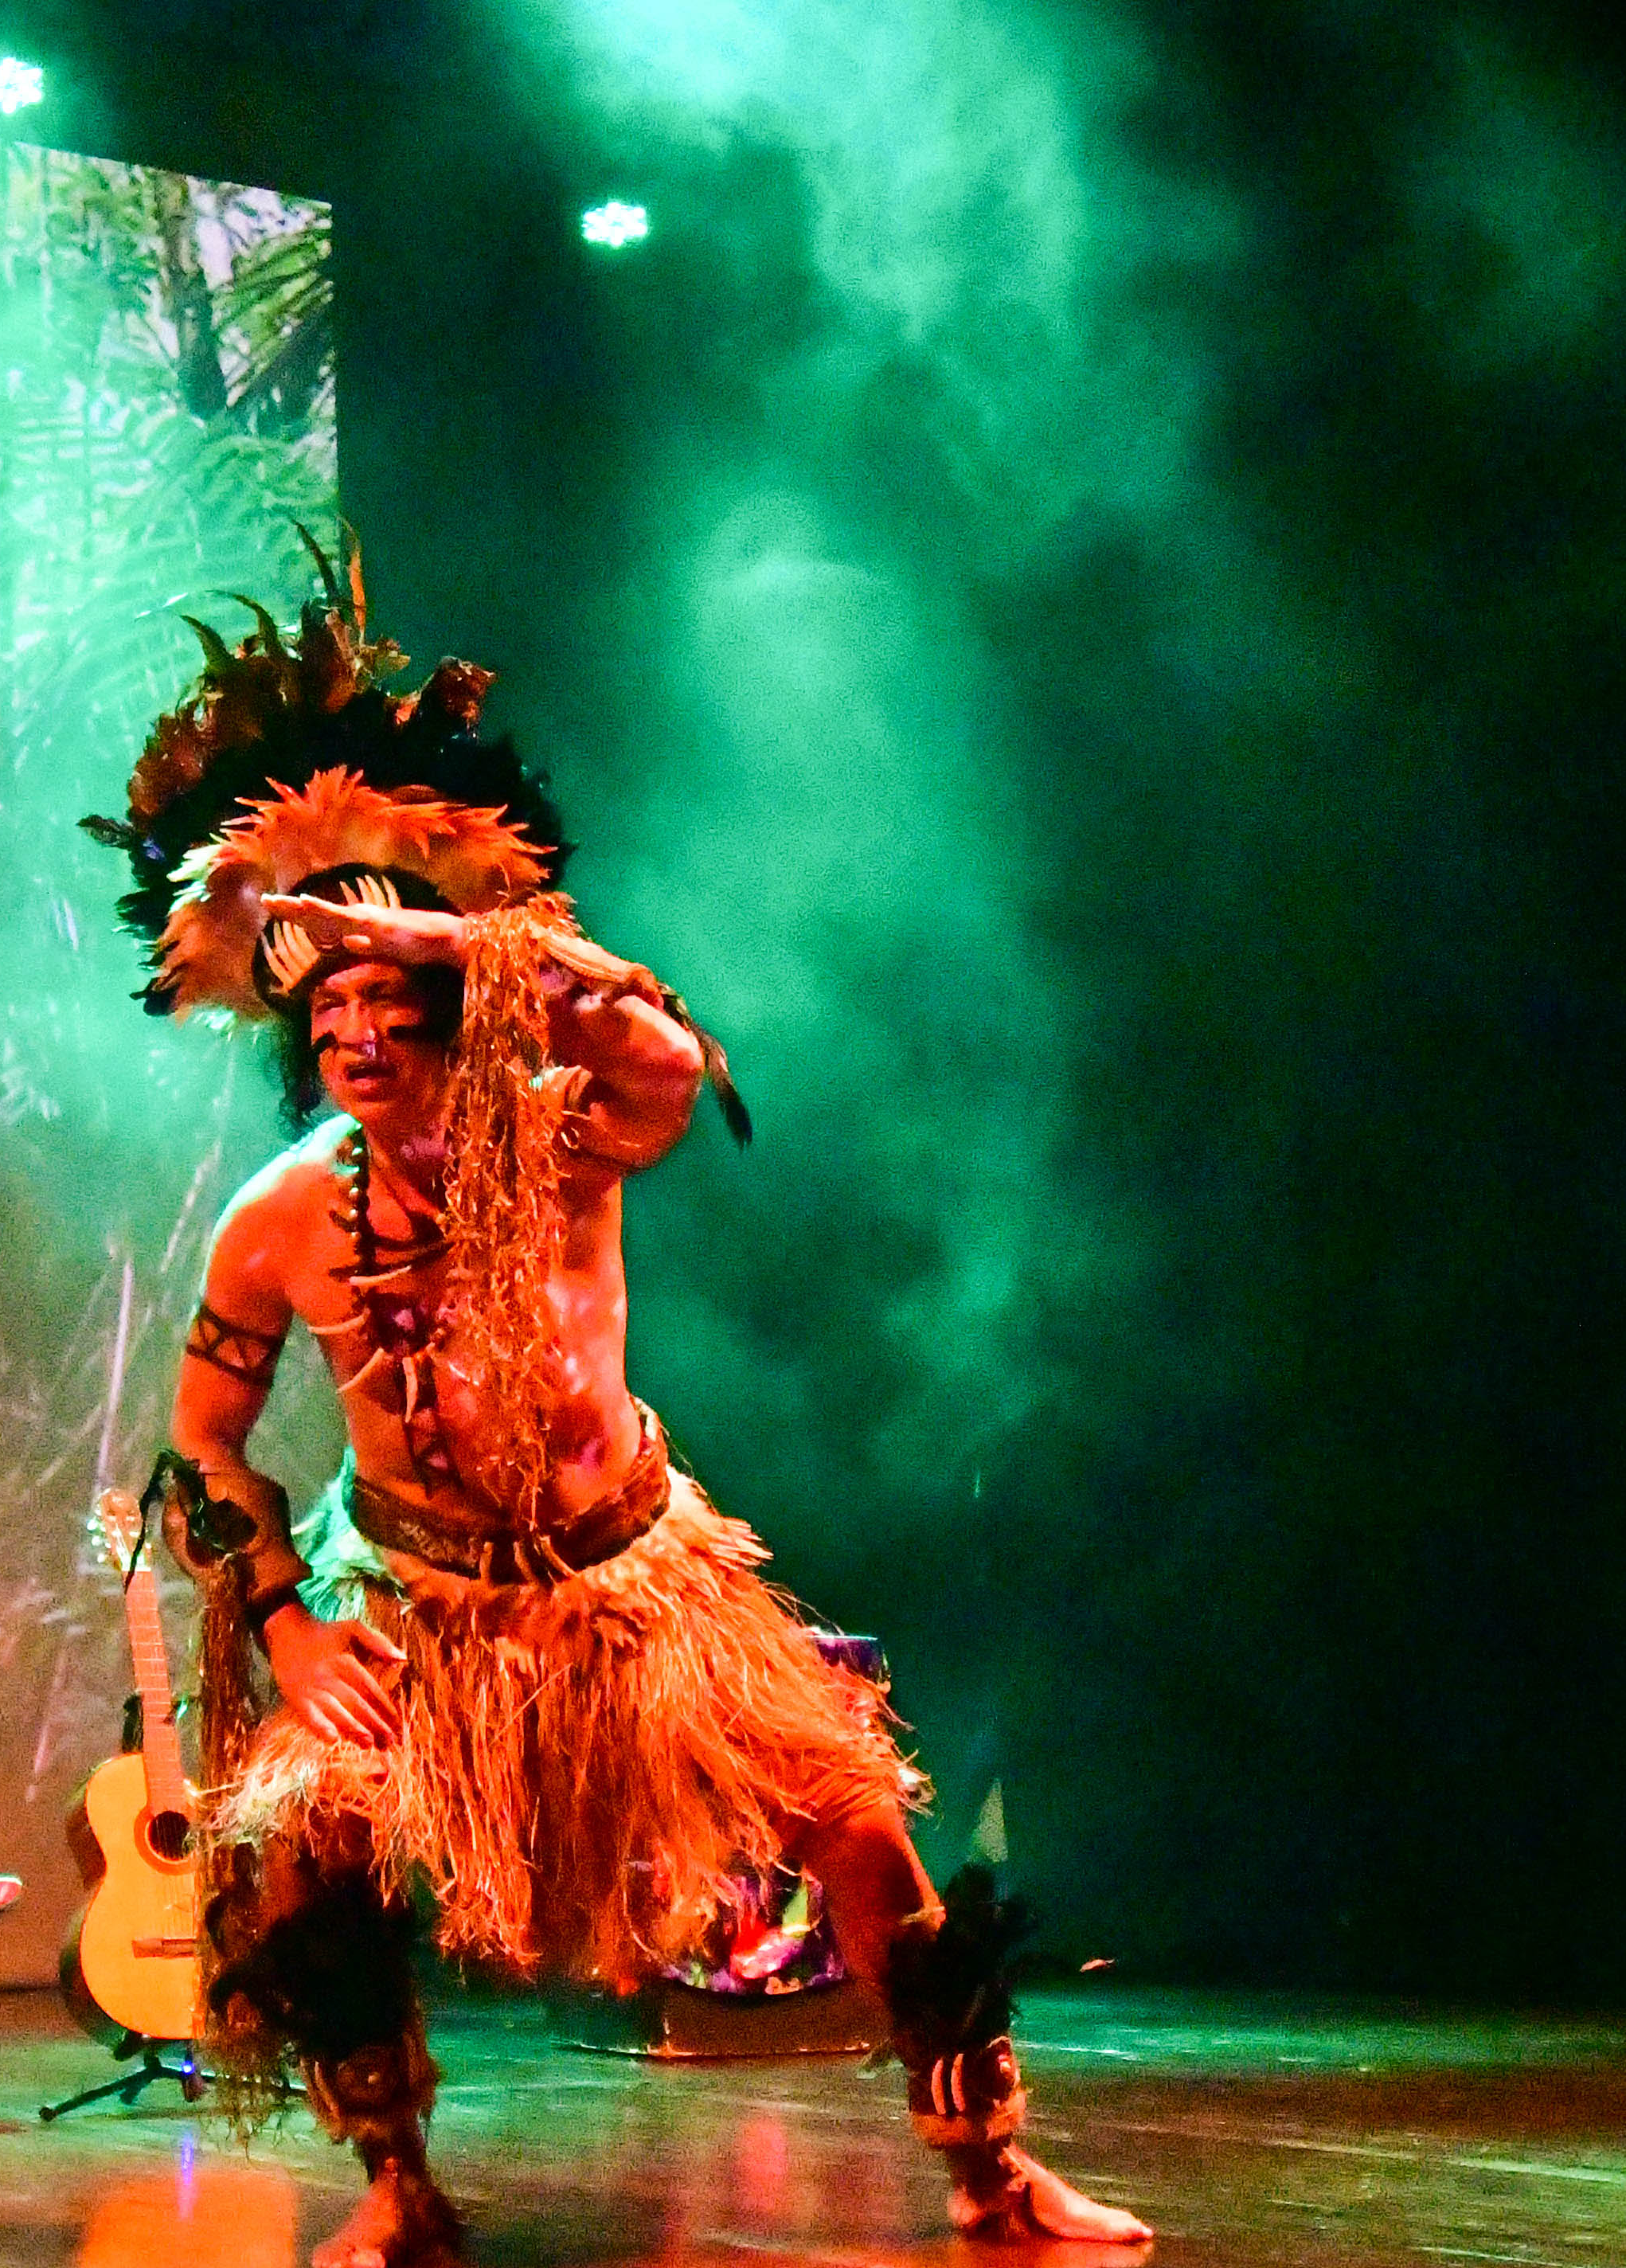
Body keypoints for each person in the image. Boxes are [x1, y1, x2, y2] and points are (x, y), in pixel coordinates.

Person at [86, 544, 1149, 2266]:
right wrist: (285, 1621)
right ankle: (395, 2186)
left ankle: (992, 2174)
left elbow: (668, 1043)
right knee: (302, 1839)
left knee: (856, 1819)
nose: (357, 1029)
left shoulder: (565, 1131)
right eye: (328, 1005)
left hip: (635, 1583)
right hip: (409, 1604)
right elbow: (199, 1441)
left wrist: (417, 918)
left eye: (387, 997)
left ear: (447, 1003)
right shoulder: (278, 1219)